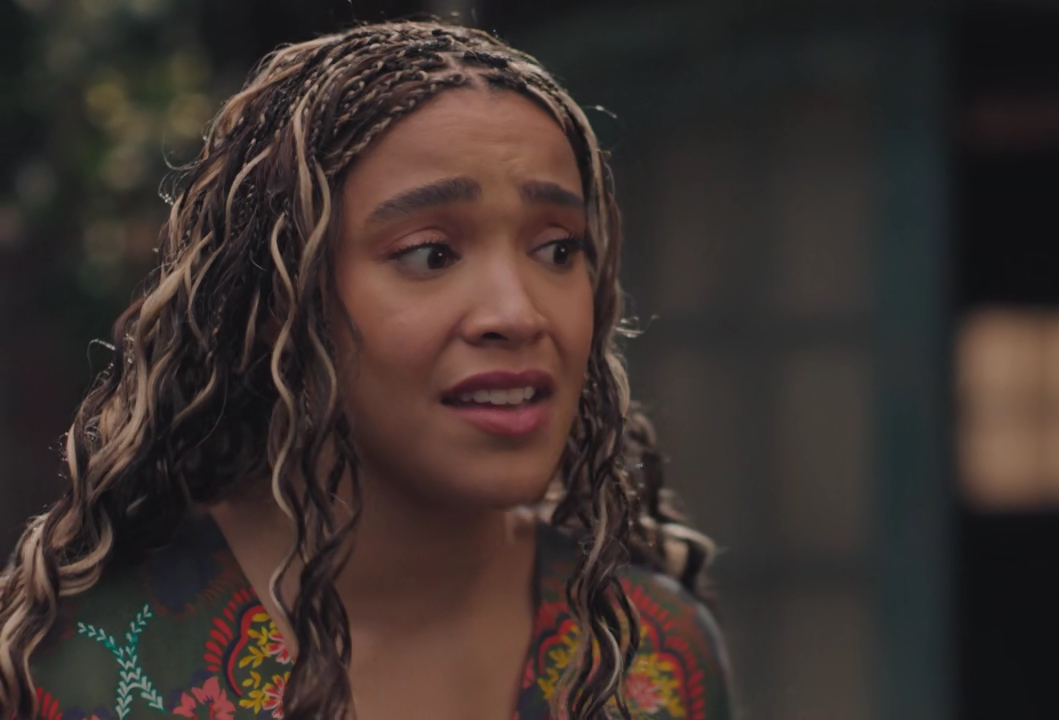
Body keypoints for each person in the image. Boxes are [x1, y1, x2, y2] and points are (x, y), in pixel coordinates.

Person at [0, 20, 732, 720]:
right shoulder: (83, 668)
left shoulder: (655, 656)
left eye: (558, 250)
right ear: (282, 300)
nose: (518, 313)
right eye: (431, 255)